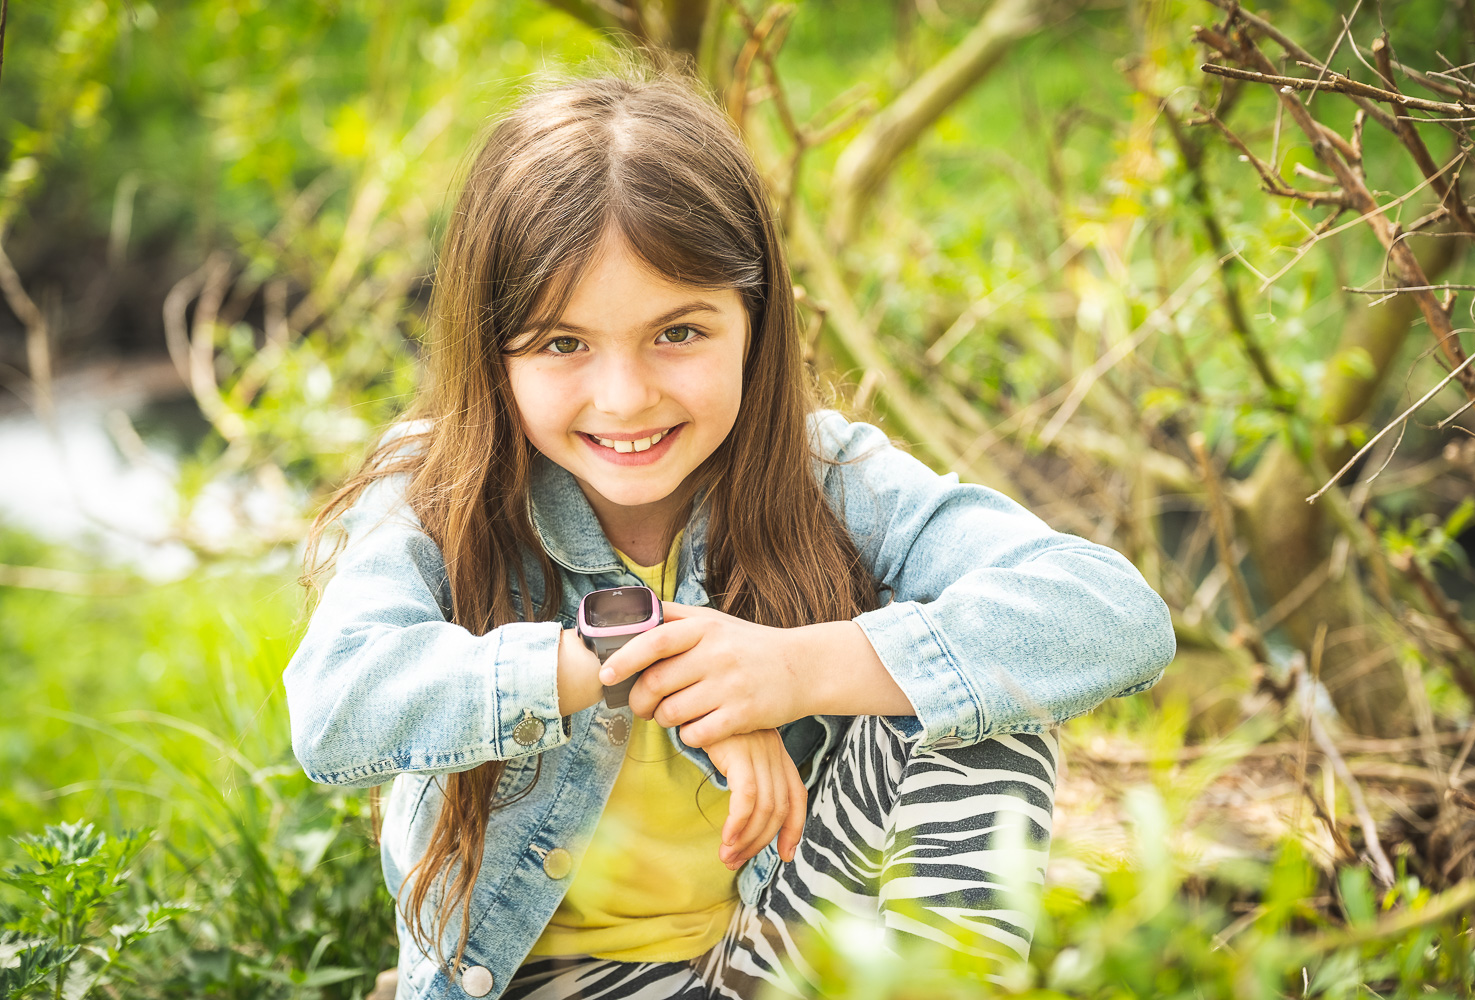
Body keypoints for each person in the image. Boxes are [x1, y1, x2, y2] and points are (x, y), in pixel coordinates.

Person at [284, 73, 1175, 1000]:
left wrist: (793, 670)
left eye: (677, 332)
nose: (625, 397)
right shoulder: (439, 487)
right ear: (491, 349)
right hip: (544, 979)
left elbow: (1111, 612)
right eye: (561, 343)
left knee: (987, 711)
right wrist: (633, 659)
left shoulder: (824, 473)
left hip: (774, 950)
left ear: (756, 320)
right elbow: (336, 706)